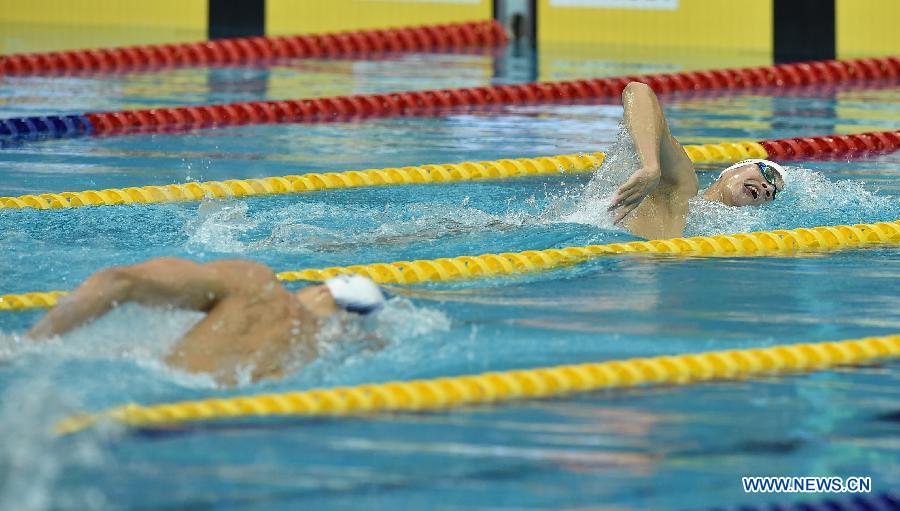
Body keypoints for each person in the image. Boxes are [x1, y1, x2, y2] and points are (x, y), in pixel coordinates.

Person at [28, 257, 385, 385]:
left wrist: (29, 346)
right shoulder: (315, 353)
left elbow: (118, 281)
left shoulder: (256, 284)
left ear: (322, 292)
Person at [606, 81, 785, 239]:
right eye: (767, 173)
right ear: (732, 169)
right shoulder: (681, 190)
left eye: (773, 193)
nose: (768, 188)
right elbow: (638, 91)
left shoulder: (726, 237)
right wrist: (650, 167)